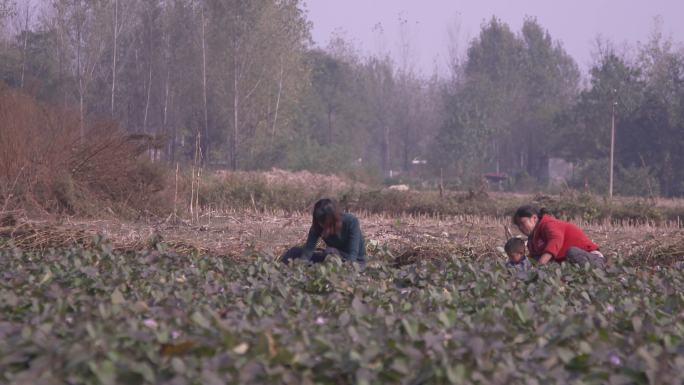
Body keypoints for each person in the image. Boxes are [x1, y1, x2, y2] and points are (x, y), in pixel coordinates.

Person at [280, 198, 366, 266]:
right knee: (294, 251)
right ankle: (278, 274)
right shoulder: (317, 225)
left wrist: (347, 271)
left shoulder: (351, 221)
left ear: (332, 219)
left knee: (330, 252)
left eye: (324, 222)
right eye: (319, 221)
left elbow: (353, 255)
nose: (321, 225)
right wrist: (301, 267)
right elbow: (308, 251)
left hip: (355, 263)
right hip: (330, 258)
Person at [512, 205, 605, 267]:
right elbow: (533, 259)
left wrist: (539, 267)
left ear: (534, 218)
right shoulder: (532, 240)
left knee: (572, 252)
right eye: (518, 225)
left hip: (591, 258)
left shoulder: (548, 224)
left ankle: (601, 270)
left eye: (522, 223)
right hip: (567, 263)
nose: (521, 227)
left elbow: (555, 240)